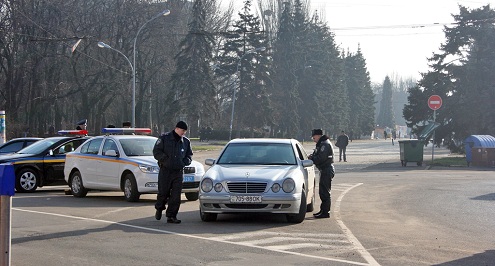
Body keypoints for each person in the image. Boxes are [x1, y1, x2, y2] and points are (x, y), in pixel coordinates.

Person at [153, 121, 193, 224]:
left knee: (176, 196)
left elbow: (189, 155)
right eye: (183, 130)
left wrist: (183, 162)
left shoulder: (186, 142)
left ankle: (171, 216)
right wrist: (164, 159)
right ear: (177, 128)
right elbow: (156, 151)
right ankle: (159, 208)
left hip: (178, 172)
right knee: (163, 193)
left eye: (185, 131)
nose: (184, 133)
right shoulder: (164, 138)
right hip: (165, 171)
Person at [308, 129, 335, 219]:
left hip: (327, 169)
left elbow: (321, 158)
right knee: (322, 192)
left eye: (314, 137)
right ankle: (323, 210)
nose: (313, 139)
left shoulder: (325, 144)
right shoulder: (322, 144)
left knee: (325, 193)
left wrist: (312, 159)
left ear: (319, 135)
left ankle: (325, 212)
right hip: (324, 169)